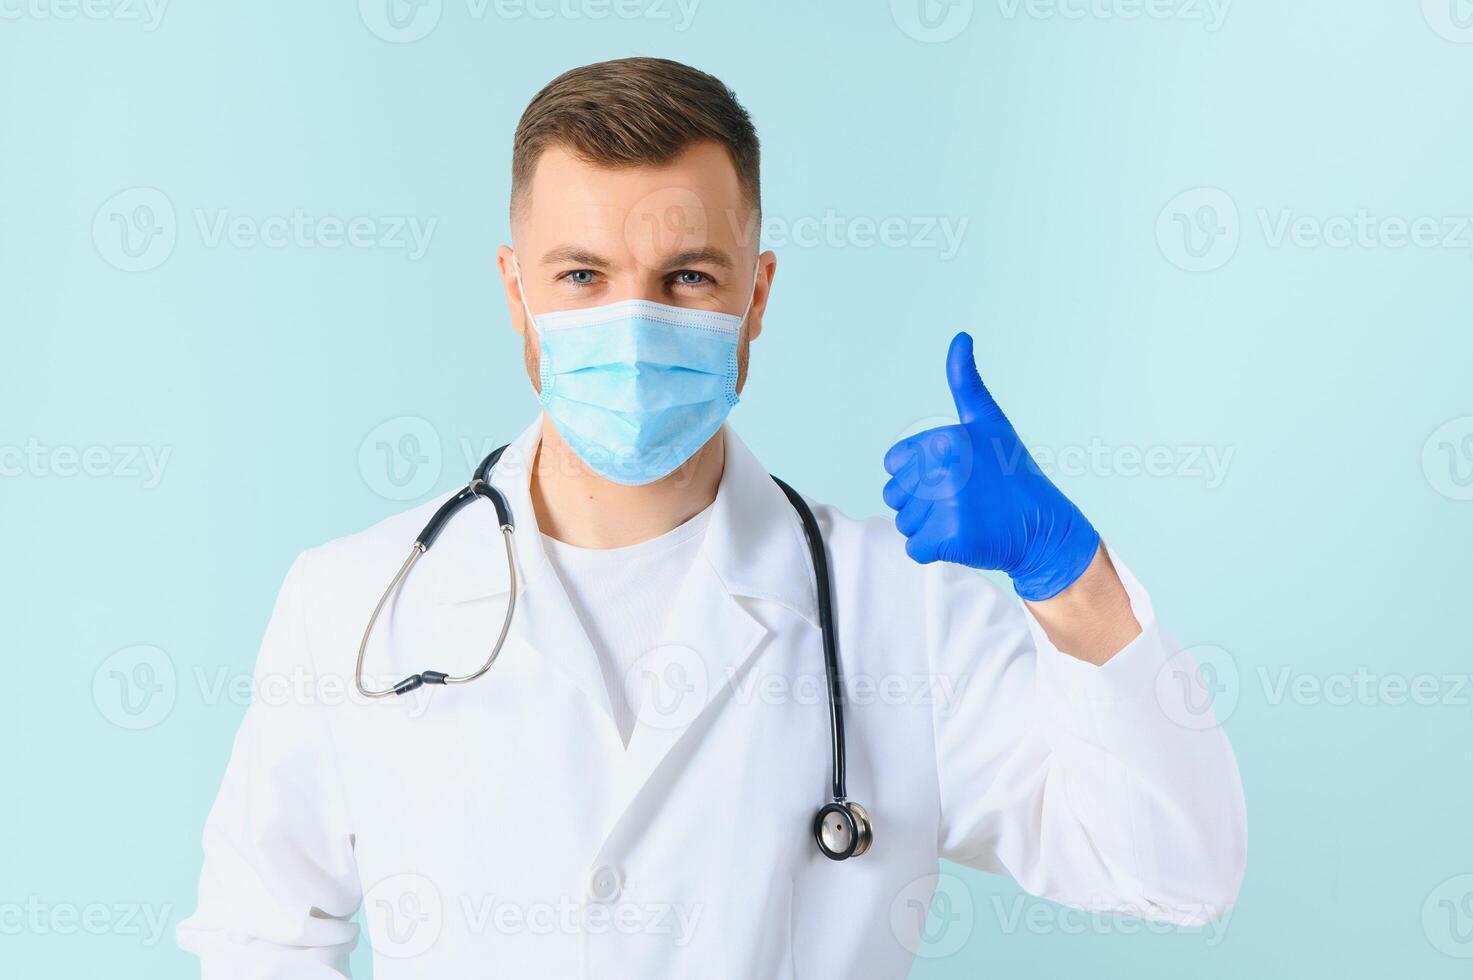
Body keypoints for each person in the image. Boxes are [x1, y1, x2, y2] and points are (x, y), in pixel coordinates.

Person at [178, 57, 1246, 977]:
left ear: (757, 295)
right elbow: (256, 931)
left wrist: (1073, 579)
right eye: (583, 275)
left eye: (687, 275)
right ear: (517, 294)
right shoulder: (354, 601)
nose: (633, 322)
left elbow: (1177, 866)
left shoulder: (900, 615)